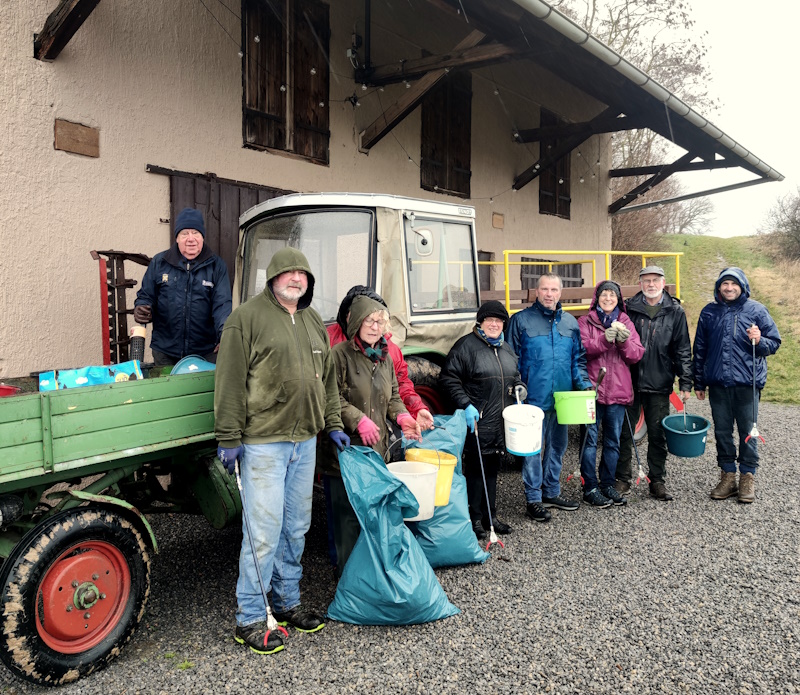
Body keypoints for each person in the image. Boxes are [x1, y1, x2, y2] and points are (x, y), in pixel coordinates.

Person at [214, 247, 350, 655]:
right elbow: (230, 380)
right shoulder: (246, 319)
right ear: (272, 277)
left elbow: (326, 380)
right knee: (263, 532)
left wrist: (333, 423)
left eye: (302, 273)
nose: (296, 279)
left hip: (304, 441)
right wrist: (228, 436)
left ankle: (288, 601)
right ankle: (250, 618)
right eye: (288, 272)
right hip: (263, 443)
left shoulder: (313, 320)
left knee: (295, 527)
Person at [320, 295, 421, 575]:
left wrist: (403, 417)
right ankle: (347, 578)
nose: (375, 328)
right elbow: (329, 397)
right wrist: (358, 419)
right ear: (356, 323)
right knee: (346, 520)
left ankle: (369, 574)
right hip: (343, 453)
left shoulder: (385, 358)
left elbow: (393, 396)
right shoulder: (339, 355)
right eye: (369, 321)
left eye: (380, 322)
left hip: (375, 451)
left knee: (371, 514)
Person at [507, 273, 593, 523]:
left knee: (557, 446)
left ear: (560, 293)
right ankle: (533, 499)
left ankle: (551, 492)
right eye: (544, 289)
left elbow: (577, 360)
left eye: (554, 290)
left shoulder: (570, 323)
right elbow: (510, 360)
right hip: (532, 398)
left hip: (562, 400)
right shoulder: (521, 321)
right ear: (536, 292)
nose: (549, 294)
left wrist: (584, 386)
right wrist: (517, 388)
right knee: (533, 449)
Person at [439, 300, 527, 539]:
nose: (494, 324)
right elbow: (448, 379)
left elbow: (514, 376)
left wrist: (520, 386)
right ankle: (474, 518)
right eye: (490, 320)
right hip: (477, 420)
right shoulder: (465, 347)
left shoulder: (506, 348)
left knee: (492, 469)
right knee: (476, 470)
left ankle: (491, 516)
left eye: (499, 321)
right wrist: (465, 404)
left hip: (500, 422)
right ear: (480, 322)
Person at [693, 267, 780, 504]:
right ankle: (728, 476)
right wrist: (698, 381)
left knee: (748, 432)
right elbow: (700, 349)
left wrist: (759, 340)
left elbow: (774, 343)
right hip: (718, 384)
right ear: (719, 287)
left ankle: (747, 477)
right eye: (725, 284)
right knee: (722, 432)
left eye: (734, 284)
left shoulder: (756, 310)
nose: (729, 288)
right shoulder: (709, 312)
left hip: (747, 384)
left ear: (742, 287)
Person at [615, 266, 692, 502]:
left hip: (660, 381)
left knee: (658, 434)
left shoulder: (675, 311)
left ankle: (657, 480)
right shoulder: (628, 308)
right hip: (629, 380)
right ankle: (622, 478)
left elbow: (682, 348)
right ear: (640, 284)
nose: (651, 284)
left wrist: (686, 381)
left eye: (655, 280)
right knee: (624, 433)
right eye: (646, 280)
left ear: (663, 282)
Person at [327, 286, 435, 431]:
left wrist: (415, 409)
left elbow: (400, 387)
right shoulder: (329, 342)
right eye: (367, 318)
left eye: (378, 320)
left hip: (376, 430)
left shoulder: (389, 352)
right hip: (337, 429)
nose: (374, 327)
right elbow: (326, 392)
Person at [133, 207, 232, 367]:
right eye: (185, 233)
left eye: (196, 233)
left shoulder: (216, 266)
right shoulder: (160, 262)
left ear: (202, 237)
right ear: (177, 238)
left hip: (205, 353)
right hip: (165, 352)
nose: (191, 239)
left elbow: (222, 306)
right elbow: (146, 295)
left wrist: (225, 335)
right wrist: (141, 307)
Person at [578, 281, 644, 508]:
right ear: (597, 298)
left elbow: (636, 355)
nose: (608, 298)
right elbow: (582, 349)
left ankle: (607, 484)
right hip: (592, 391)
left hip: (617, 391)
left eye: (612, 295)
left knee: (613, 441)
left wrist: (623, 342)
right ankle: (590, 487)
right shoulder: (585, 322)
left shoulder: (626, 322)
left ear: (618, 299)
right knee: (589, 441)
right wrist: (604, 339)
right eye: (604, 294)